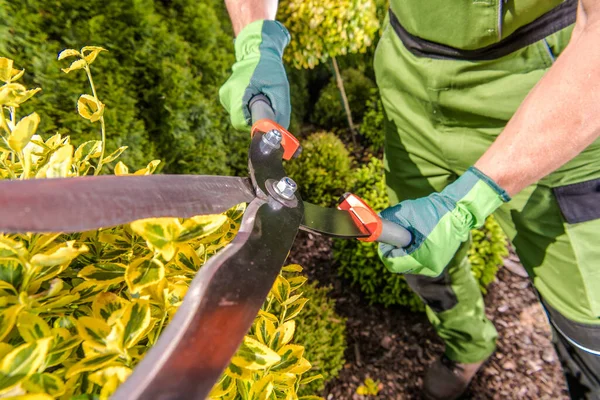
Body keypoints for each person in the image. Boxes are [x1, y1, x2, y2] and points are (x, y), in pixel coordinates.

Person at [220, 0, 600, 398]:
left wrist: (473, 197)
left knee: (588, 317)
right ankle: (467, 344)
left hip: (558, 97)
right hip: (411, 87)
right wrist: (255, 42)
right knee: (418, 253)